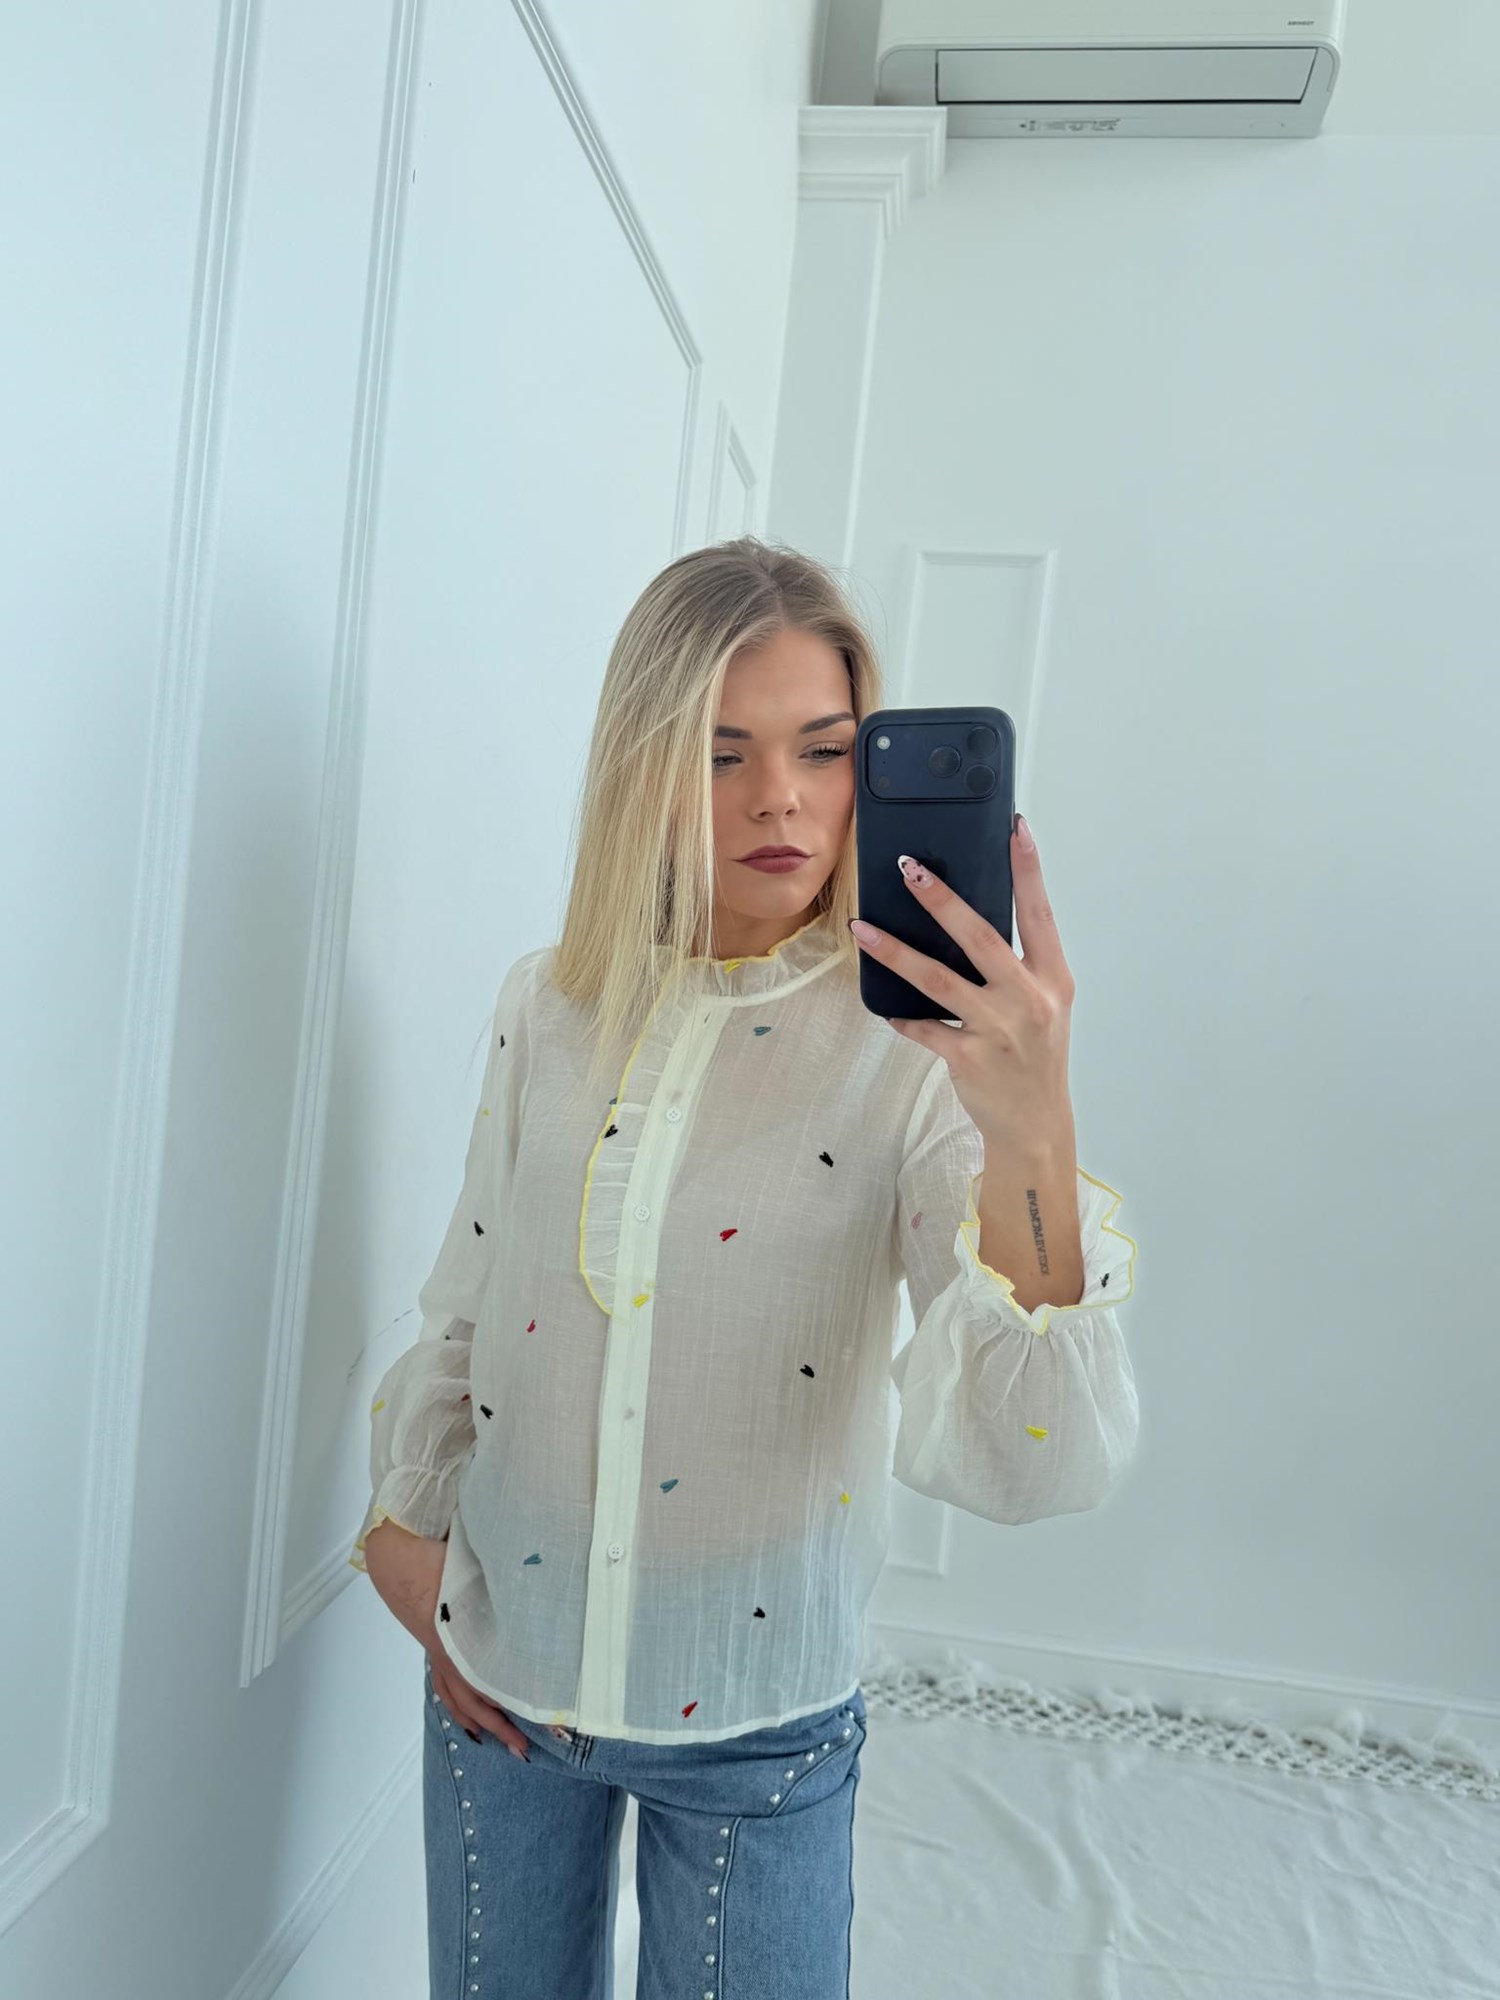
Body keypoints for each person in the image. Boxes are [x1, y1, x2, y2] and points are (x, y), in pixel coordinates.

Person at [349, 535, 1140, 1999]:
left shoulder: (916, 1055)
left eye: (824, 749)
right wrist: (403, 1526)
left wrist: (1033, 1122)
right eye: (721, 754)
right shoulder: (551, 1002)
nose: (779, 797)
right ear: (642, 769)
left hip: (758, 1722)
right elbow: (473, 1295)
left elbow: (1038, 1458)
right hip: (504, 1679)